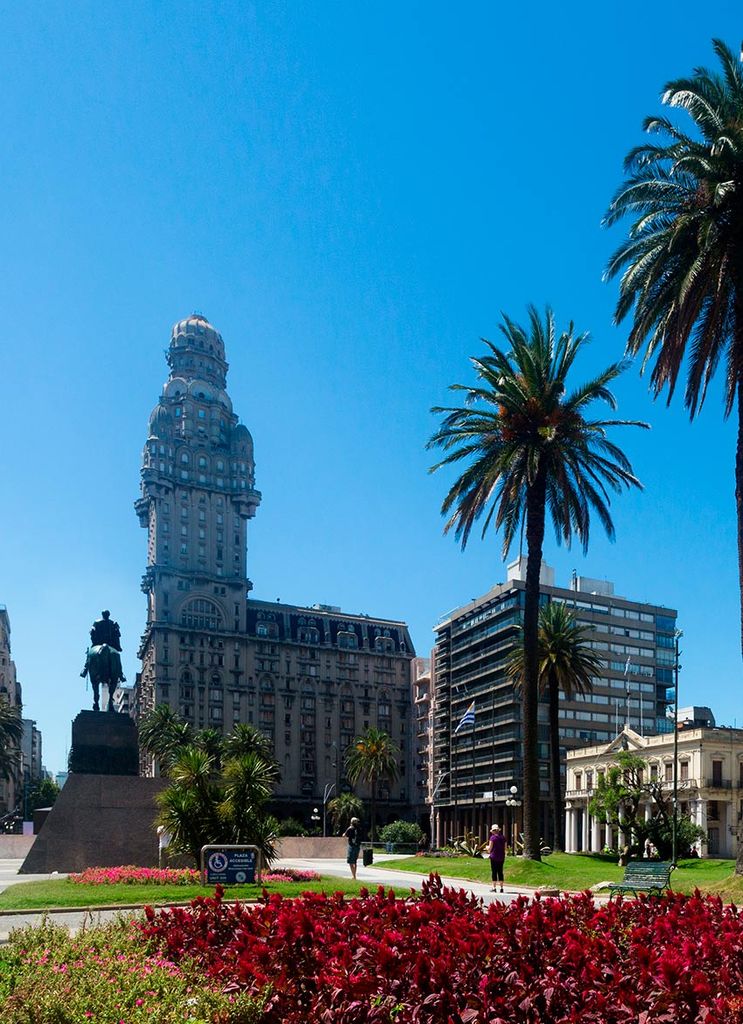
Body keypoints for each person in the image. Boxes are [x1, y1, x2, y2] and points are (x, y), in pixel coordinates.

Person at [487, 824, 507, 893]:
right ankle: (501, 888)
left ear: (493, 831)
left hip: (494, 857)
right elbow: (505, 848)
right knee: (500, 872)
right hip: (501, 857)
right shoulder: (503, 838)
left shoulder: (492, 838)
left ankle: (494, 887)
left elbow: (490, 848)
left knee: (494, 872)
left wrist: (487, 849)